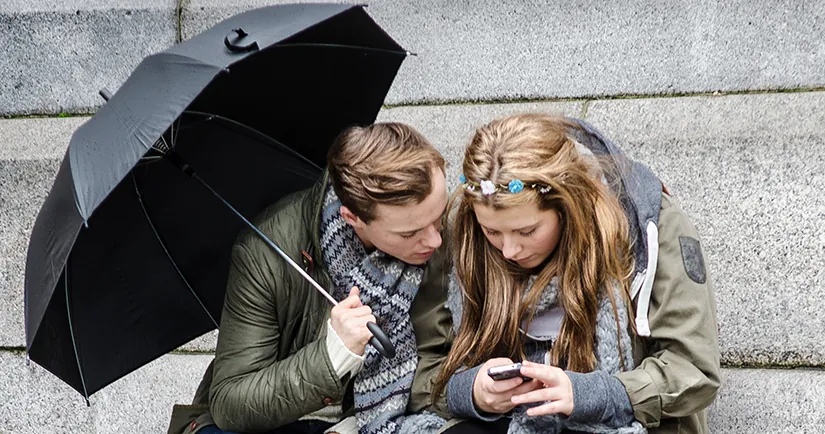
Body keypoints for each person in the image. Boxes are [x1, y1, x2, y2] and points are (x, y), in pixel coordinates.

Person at [434, 114, 720, 434]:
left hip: (625, 420)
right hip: (512, 422)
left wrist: (592, 395)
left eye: (527, 231)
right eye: (493, 232)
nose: (509, 250)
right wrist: (470, 392)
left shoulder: (649, 226)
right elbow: (422, 368)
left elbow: (693, 369)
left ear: (566, 204)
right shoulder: (462, 234)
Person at [167, 123, 453, 434]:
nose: (434, 240)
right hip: (274, 420)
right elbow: (231, 403)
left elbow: (428, 362)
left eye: (437, 217)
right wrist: (334, 354)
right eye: (410, 233)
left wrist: (471, 392)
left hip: (371, 419)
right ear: (352, 218)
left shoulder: (437, 242)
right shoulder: (264, 252)